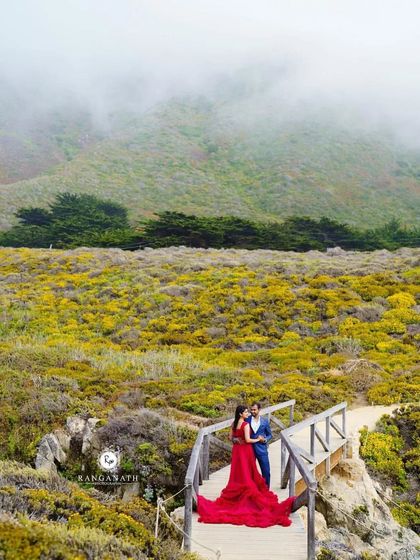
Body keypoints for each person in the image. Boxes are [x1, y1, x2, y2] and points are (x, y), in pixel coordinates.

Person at [196, 405, 296, 527]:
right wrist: (258, 440)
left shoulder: (237, 423)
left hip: (239, 451)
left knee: (243, 472)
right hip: (246, 450)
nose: (249, 413)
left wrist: (241, 440)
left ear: (258, 410)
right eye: (246, 411)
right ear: (241, 414)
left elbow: (230, 437)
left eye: (251, 411)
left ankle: (258, 491)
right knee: (248, 472)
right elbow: (248, 440)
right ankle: (255, 494)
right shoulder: (245, 424)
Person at [247, 401, 272, 487]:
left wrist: (265, 440)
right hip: (249, 449)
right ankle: (251, 491)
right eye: (251, 410)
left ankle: (266, 490)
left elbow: (270, 435)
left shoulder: (265, 421)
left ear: (259, 410)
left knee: (266, 471)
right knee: (249, 472)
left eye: (254, 410)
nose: (252, 411)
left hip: (262, 449)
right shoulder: (247, 419)